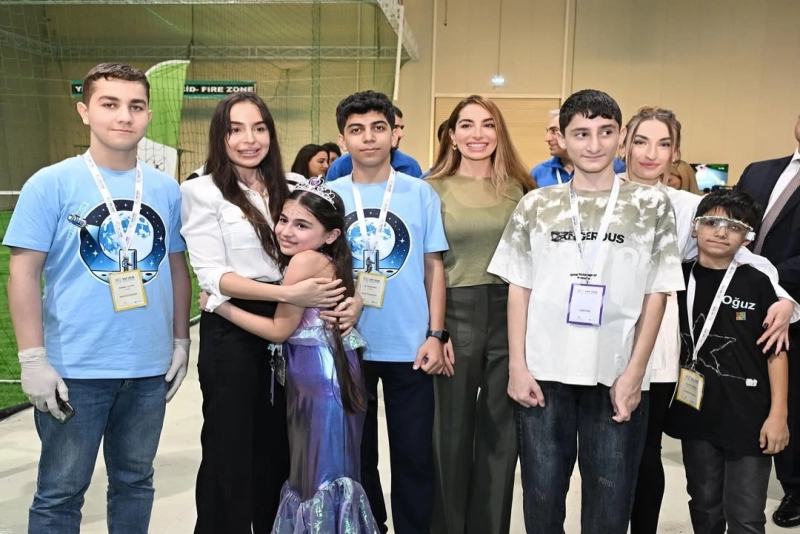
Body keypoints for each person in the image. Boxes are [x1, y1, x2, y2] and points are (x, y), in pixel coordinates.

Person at [3, 62, 192, 533]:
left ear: (148, 116)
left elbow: (176, 267)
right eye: (110, 104)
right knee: (60, 493)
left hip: (147, 369)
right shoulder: (50, 183)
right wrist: (32, 359)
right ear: (84, 111)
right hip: (75, 370)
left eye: (136, 106)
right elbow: (23, 273)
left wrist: (180, 341)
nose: (124, 116)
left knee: (135, 482)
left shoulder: (166, 189)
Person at [488, 89, 685, 533]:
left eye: (605, 132)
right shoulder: (536, 204)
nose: (593, 145)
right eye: (581, 133)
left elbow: (657, 293)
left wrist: (635, 374)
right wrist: (518, 366)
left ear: (621, 137)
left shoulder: (650, 205)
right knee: (541, 497)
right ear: (562, 138)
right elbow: (519, 287)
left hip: (615, 373)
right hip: (544, 374)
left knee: (610, 503)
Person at [180, 92, 359, 533]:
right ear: (219, 136)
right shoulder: (201, 190)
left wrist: (350, 301)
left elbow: (336, 249)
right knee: (228, 449)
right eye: (235, 129)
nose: (249, 139)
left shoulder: (292, 183)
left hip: (294, 330)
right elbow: (212, 275)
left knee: (279, 451)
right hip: (235, 326)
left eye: (259, 128)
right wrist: (289, 293)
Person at [622, 106, 798, 534]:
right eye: (641, 141)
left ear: (676, 152)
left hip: (660, 352)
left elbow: (748, 262)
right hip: (602, 339)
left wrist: (785, 300)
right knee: (607, 458)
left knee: (645, 456)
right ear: (624, 143)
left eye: (664, 144)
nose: (651, 153)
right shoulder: (598, 197)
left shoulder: (690, 208)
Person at [199, 182, 379, 533]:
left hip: (317, 375)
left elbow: (279, 330)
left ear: (331, 235)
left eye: (302, 225)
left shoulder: (304, 261)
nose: (286, 231)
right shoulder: (329, 259)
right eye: (283, 220)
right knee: (334, 469)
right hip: (333, 370)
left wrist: (218, 306)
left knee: (316, 475)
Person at [327, 90, 449, 534]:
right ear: (343, 140)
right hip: (347, 343)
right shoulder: (330, 196)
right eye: (357, 130)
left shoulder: (420, 193)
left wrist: (436, 334)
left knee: (414, 455)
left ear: (394, 134)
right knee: (357, 455)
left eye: (378, 128)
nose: (369, 138)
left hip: (409, 345)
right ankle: (369, 525)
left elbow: (434, 267)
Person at [425, 95, 535, 534]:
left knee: (501, 435)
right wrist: (435, 330)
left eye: (487, 124)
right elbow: (428, 264)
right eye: (466, 125)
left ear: (499, 132)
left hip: (510, 313)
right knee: (449, 434)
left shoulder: (521, 190)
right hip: (453, 312)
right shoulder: (431, 188)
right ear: (452, 135)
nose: (477, 134)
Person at [664, 189, 790, 534]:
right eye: (712, 222)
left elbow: (776, 352)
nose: (721, 232)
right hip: (695, 413)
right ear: (694, 228)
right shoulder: (676, 278)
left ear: (747, 238)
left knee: (746, 513)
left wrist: (778, 415)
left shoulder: (758, 282)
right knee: (703, 505)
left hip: (750, 416)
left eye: (734, 227)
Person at [736, 114, 800, 528]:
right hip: (742, 302)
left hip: (794, 302)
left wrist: (776, 285)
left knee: (794, 400)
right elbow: (735, 224)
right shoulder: (758, 172)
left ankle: (795, 486)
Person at [530, 108, 626, 187]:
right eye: (548, 132)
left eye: (554, 131)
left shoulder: (618, 168)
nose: (547, 138)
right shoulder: (539, 173)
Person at [326, 105, 423, 180]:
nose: (401, 134)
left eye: (401, 128)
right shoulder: (339, 167)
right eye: (356, 130)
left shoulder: (410, 166)